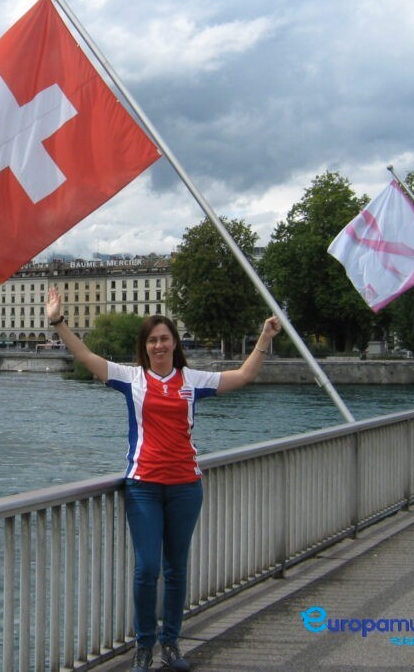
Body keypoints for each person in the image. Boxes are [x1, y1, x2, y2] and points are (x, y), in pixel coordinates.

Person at [45, 286, 280, 672]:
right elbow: (86, 357)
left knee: (175, 569)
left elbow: (243, 375)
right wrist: (58, 321)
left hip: (186, 487)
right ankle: (144, 646)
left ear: (175, 343)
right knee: (147, 568)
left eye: (164, 338)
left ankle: (170, 644)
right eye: (152, 340)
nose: (159, 345)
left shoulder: (192, 380)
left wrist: (264, 338)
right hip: (144, 487)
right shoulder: (131, 378)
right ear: (145, 347)